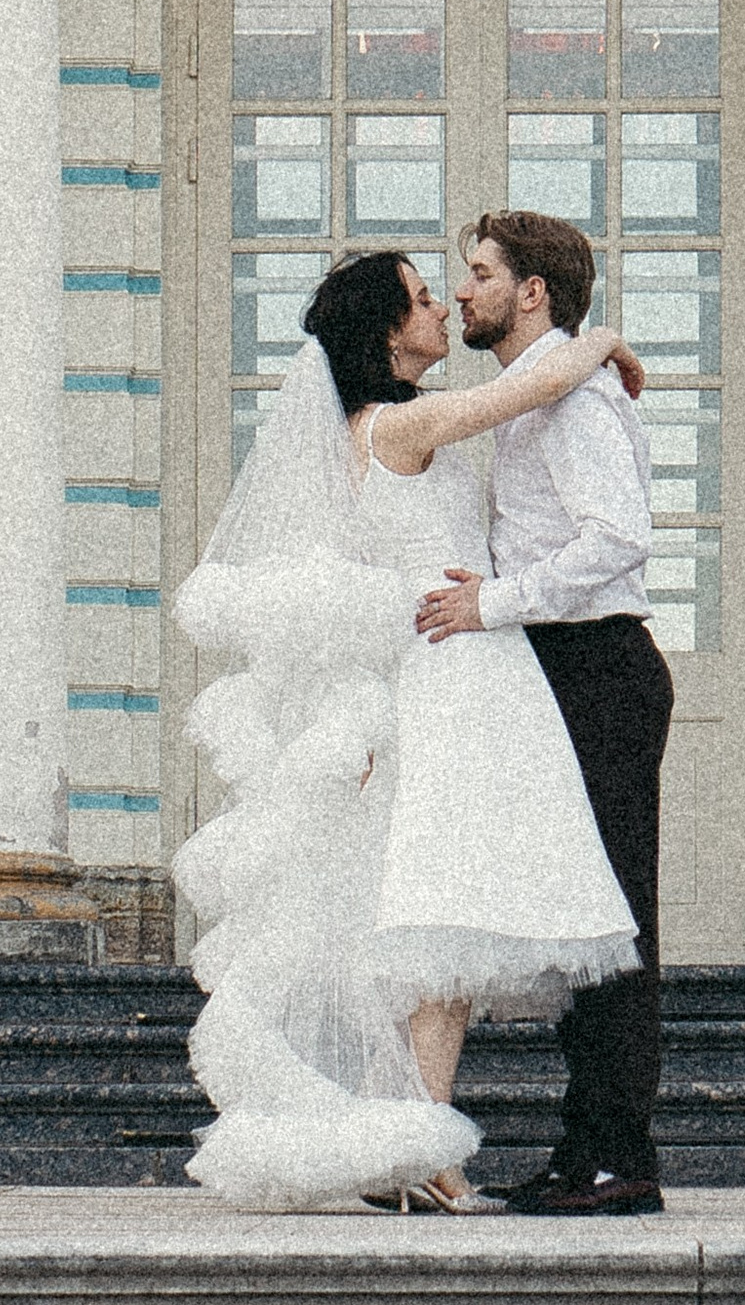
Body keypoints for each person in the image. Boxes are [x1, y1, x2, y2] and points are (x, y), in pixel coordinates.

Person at [174, 250, 642, 1214]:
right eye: (426, 298)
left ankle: (420, 1146)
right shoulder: (401, 423)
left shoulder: (375, 427)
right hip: (456, 671)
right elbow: (543, 379)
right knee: (441, 924)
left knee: (444, 930)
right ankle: (426, 1152)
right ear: (390, 332)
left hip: (452, 671)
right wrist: (603, 340)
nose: (443, 306)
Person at [416, 211, 675, 1218]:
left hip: (597, 665)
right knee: (582, 915)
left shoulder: (576, 399)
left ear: (532, 292)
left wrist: (493, 601)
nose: (463, 293)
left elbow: (618, 540)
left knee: (614, 923)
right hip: (559, 666)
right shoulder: (541, 391)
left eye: (477, 275)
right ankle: (586, 1151)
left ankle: (617, 1157)